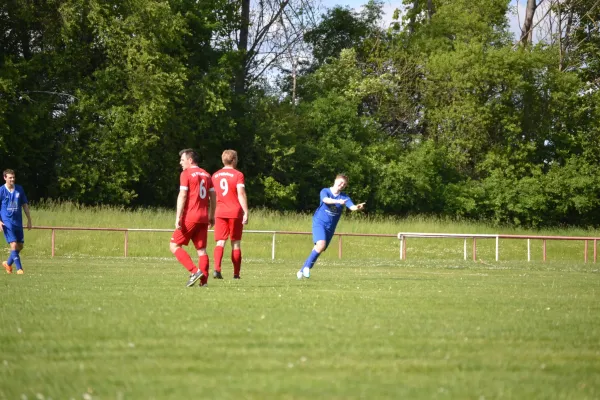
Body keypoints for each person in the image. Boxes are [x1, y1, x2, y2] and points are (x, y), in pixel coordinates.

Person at [297, 174, 365, 279]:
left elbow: (351, 207)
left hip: (330, 227)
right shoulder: (325, 191)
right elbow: (325, 200)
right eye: (341, 182)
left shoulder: (344, 197)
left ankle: (301, 270)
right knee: (321, 245)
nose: (342, 185)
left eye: (344, 184)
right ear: (335, 180)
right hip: (319, 222)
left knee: (318, 248)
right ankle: (307, 268)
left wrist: (357, 207)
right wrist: (338, 201)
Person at [170, 149, 216, 287]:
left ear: (190, 160)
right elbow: (213, 197)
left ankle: (194, 271)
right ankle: (204, 282)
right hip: (203, 217)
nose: (180, 163)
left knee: (174, 245)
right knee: (201, 250)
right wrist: (211, 215)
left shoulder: (186, 173)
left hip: (190, 216)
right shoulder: (207, 175)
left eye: (182, 160)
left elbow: (183, 195)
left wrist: (178, 216)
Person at [211, 150, 249, 279]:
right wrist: (246, 211)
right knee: (235, 243)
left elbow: (213, 196)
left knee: (220, 242)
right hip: (234, 211)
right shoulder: (238, 175)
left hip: (220, 212)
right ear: (233, 160)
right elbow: (241, 193)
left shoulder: (215, 175)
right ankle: (236, 274)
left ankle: (217, 269)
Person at [1, 169, 32, 275]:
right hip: (6, 221)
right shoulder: (1, 190)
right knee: (13, 244)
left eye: (13, 177)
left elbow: (25, 205)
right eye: (10, 177)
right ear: (5, 178)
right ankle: (20, 269)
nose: (12, 179)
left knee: (20, 245)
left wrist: (29, 219)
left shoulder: (19, 189)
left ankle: (8, 263)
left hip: (17, 221)